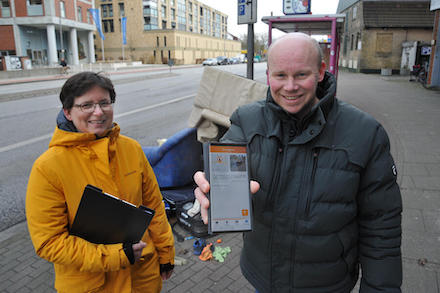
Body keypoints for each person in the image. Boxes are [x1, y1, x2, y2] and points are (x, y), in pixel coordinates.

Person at [194, 33, 402, 292]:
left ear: (321, 72)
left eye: (301, 75)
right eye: (280, 76)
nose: (290, 87)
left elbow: (382, 225)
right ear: (268, 74)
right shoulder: (246, 121)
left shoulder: (366, 134)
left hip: (327, 283)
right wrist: (207, 187)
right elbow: (220, 170)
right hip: (263, 277)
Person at [26, 72, 175, 293]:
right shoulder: (48, 167)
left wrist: (166, 253)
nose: (98, 112)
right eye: (86, 105)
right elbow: (49, 242)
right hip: (90, 285)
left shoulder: (131, 149)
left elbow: (154, 207)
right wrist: (115, 257)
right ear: (67, 112)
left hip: (141, 276)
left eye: (104, 102)